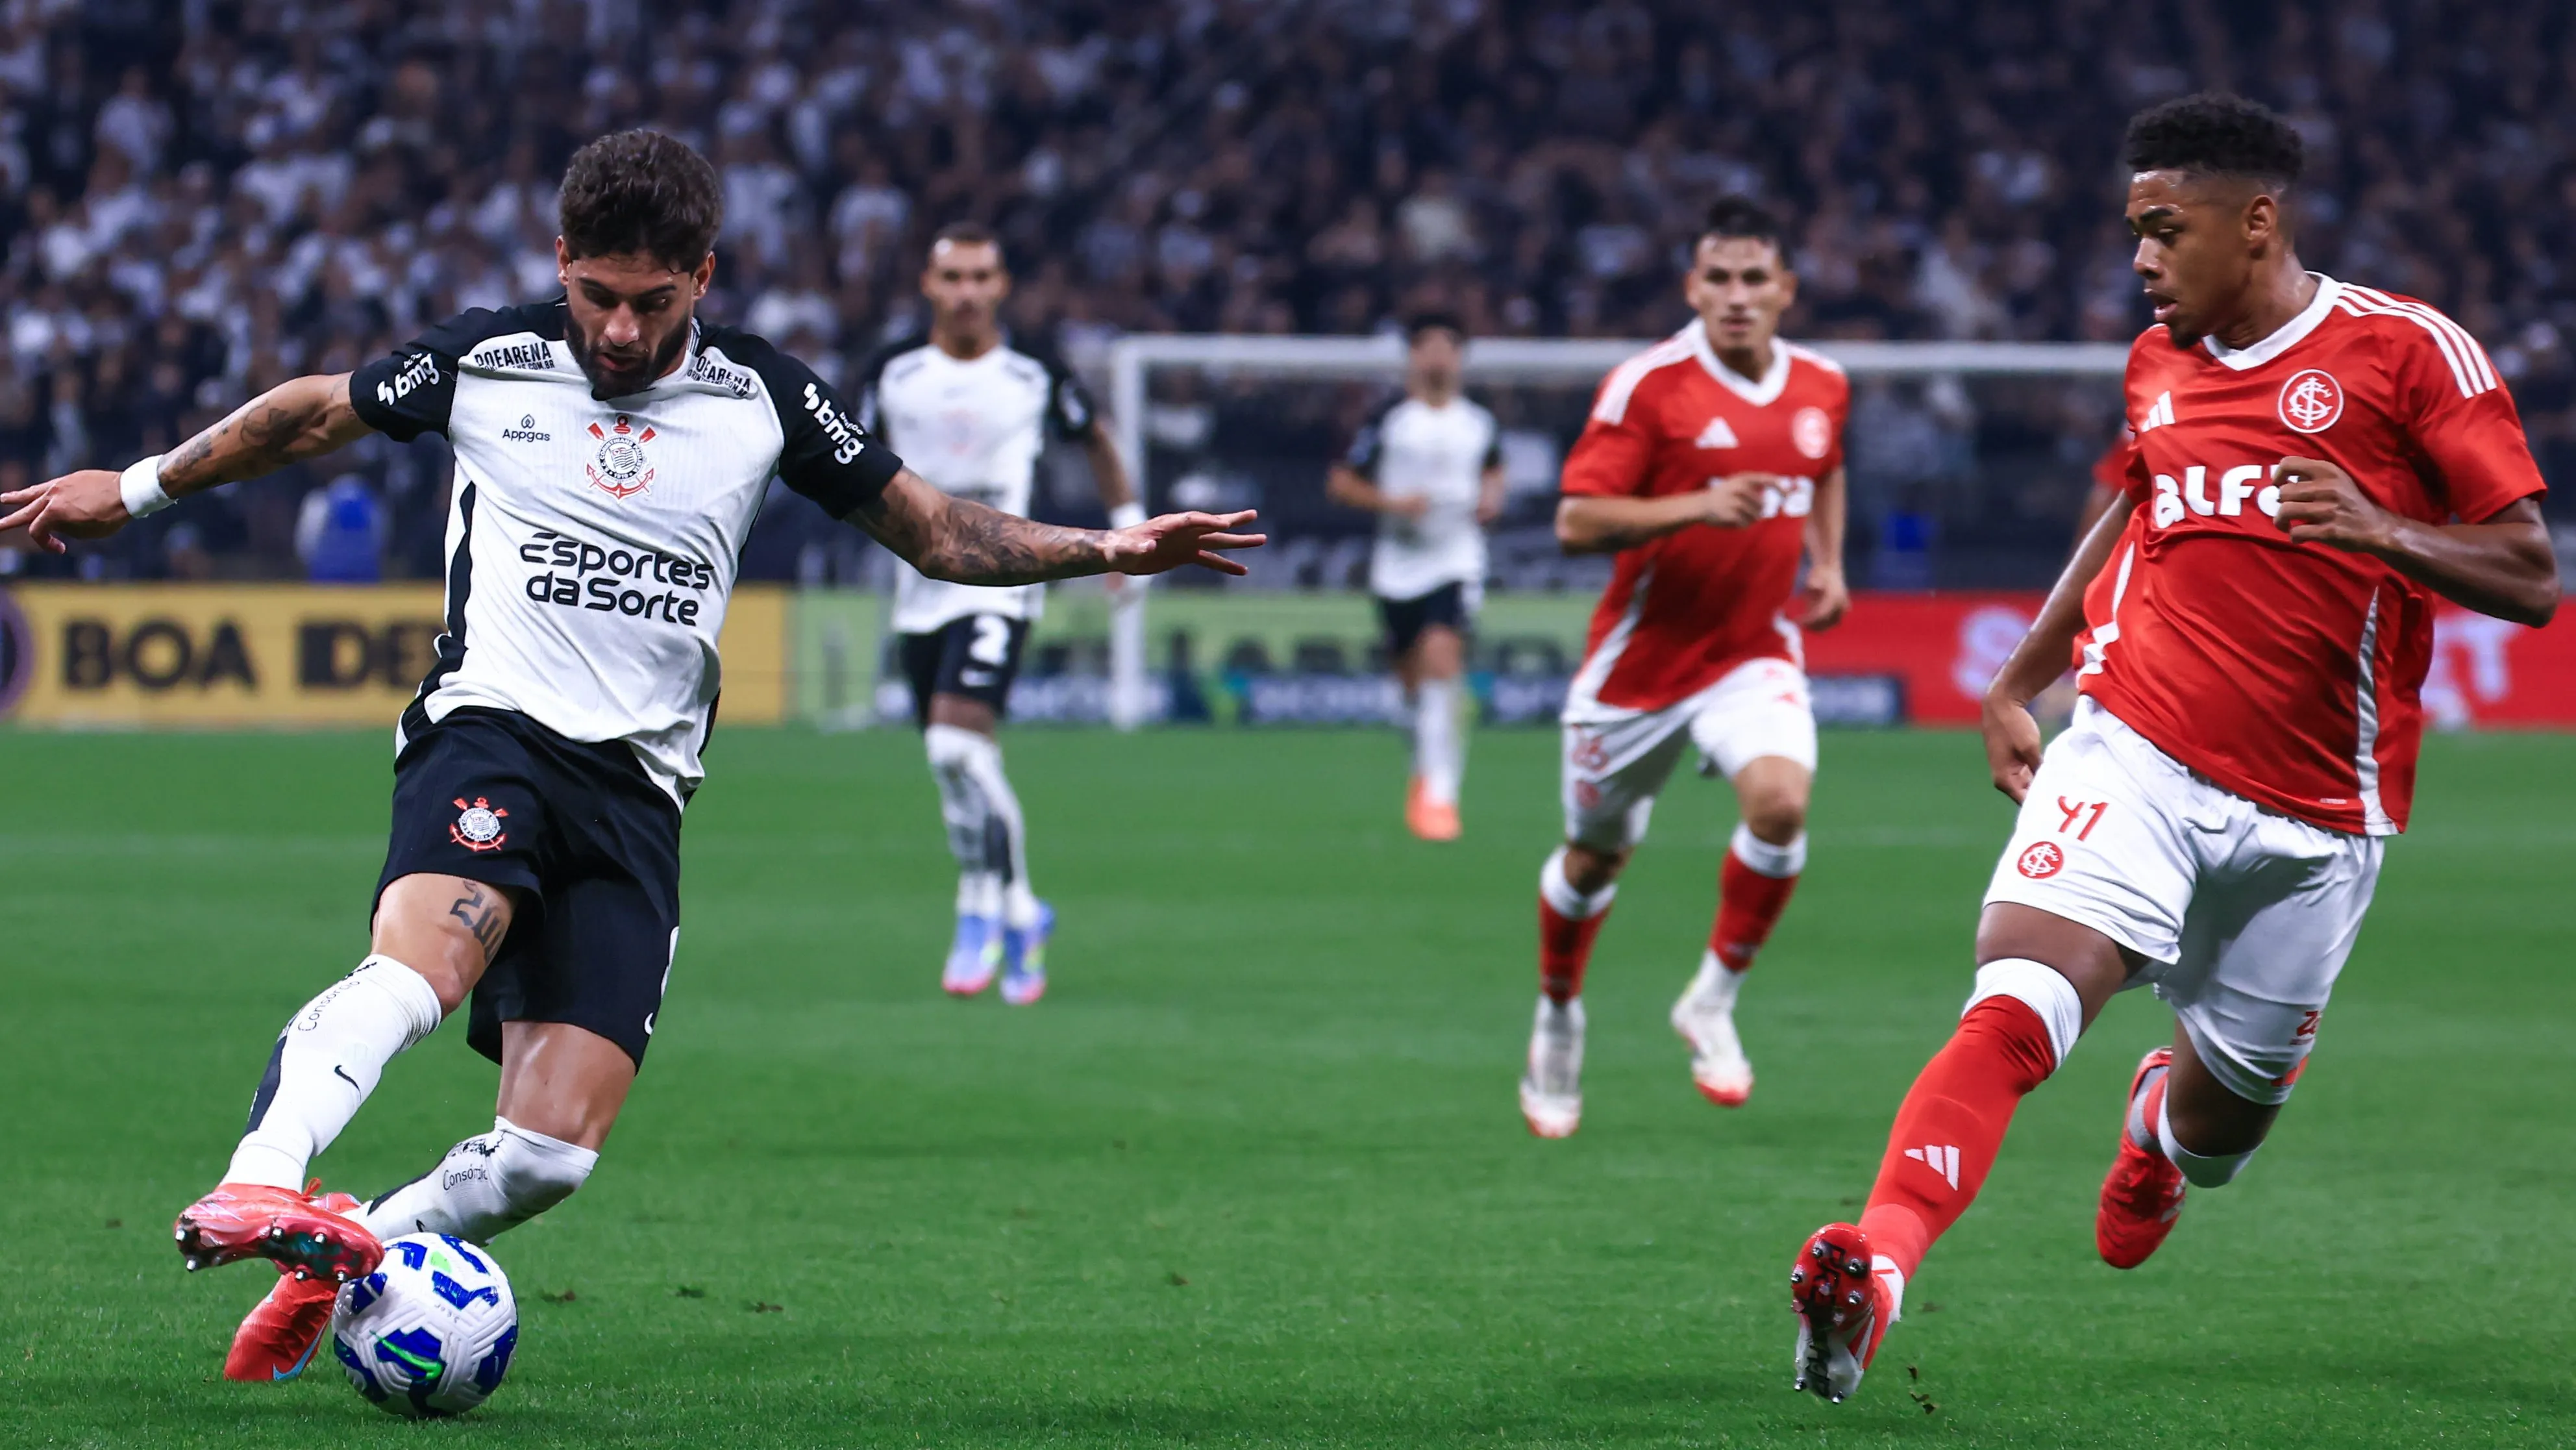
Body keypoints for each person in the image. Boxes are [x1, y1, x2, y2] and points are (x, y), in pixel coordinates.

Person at [0, 129, 1261, 1386]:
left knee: (551, 1156)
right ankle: (256, 1180)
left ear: (702, 278)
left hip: (640, 795)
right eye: (595, 295)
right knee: (428, 962)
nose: (615, 329)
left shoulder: (763, 398)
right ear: (561, 263)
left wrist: (1108, 549)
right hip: (490, 730)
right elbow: (309, 413)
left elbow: (934, 532)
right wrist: (141, 485)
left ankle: (355, 1248)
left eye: (649, 304)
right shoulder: (487, 358)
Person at [1787, 93, 2557, 1404]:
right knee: (2020, 997)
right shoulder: (2159, 363)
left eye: (2162, 229)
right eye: (2131, 231)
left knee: (2217, 1137)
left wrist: (2383, 530)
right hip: (2133, 748)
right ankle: (1875, 1268)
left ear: (2253, 223)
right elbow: (2132, 505)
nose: (2139, 259)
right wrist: (2019, 677)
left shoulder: (2409, 353)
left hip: (2321, 815)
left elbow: (2531, 576)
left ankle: (2154, 1124)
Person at [1518, 197, 1852, 1138]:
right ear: (1692, 288)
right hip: (1637, 670)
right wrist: (1695, 506)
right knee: (1592, 861)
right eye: (1719, 279)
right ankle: (1557, 1012)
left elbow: (1825, 467)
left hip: (1752, 651)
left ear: (1786, 289)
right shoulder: (1648, 389)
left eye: (1755, 279)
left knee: (1782, 807)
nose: (1737, 297)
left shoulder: (1824, 383)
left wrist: (1828, 562)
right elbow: (1576, 521)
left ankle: (1710, 998)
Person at [854, 223, 1143, 1003]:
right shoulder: (891, 374)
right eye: (953, 277)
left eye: (982, 276)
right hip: (918, 588)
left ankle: (984, 903)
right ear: (928, 285)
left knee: (954, 743)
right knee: (954, 768)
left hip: (1005, 582)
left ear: (1002, 284)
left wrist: (1127, 521)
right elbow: (840, 459)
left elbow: (1097, 439)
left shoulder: (1033, 373)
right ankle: (1019, 906)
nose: (968, 292)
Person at [1326, 312, 1505, 841]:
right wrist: (1393, 503)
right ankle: (1425, 767)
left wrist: (1493, 497)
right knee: (1409, 692)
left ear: (1460, 357)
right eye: (1426, 346)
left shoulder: (1478, 420)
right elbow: (1340, 483)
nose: (1437, 357)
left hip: (1456, 559)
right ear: (1412, 356)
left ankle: (1440, 797)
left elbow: (1495, 467)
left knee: (1440, 661)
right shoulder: (1390, 419)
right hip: (1397, 566)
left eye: (1447, 347)